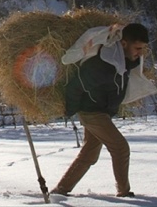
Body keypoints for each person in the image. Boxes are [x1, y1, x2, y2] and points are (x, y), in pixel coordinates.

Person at [51, 23, 149, 198]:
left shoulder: (124, 62)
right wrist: (69, 109)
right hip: (92, 112)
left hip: (101, 112)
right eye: (138, 48)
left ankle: (61, 190)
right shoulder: (103, 63)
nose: (140, 53)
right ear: (124, 43)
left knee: (89, 154)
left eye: (142, 49)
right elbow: (76, 85)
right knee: (120, 148)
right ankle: (124, 192)